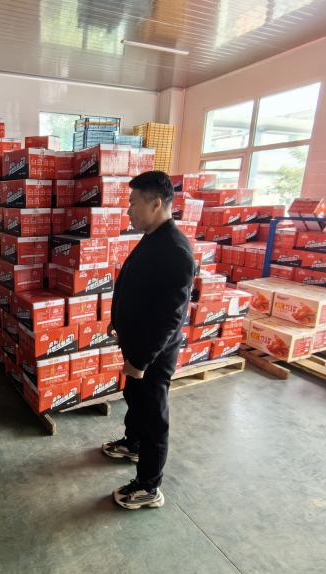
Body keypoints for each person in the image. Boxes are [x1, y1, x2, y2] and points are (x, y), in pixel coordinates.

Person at [102, 171, 194, 511]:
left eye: (133, 203)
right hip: (136, 344)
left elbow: (170, 317)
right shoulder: (154, 237)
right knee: (135, 399)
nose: (128, 210)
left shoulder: (176, 250)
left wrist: (141, 360)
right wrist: (117, 322)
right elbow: (136, 287)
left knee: (154, 416)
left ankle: (148, 487)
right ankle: (133, 444)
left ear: (155, 204)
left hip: (152, 354)